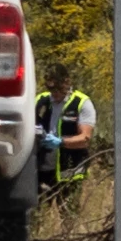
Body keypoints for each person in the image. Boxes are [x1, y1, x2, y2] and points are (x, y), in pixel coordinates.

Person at [35, 62, 96, 190]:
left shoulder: (81, 103)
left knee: (67, 208)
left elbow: (85, 139)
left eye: (58, 89)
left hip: (70, 170)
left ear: (66, 82)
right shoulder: (41, 100)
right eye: (51, 89)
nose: (54, 93)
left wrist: (60, 142)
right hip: (43, 168)